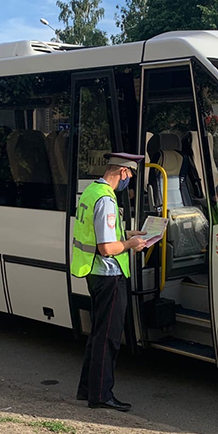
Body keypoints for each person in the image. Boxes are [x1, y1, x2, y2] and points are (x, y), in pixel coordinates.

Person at [70, 152, 147, 411]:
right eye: (131, 175)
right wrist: (130, 244)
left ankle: (87, 389)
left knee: (97, 334)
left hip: (94, 273)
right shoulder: (106, 200)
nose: (130, 180)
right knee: (108, 338)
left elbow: (99, 233)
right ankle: (101, 395)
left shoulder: (92, 191)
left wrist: (128, 234)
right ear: (123, 172)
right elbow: (105, 247)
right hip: (108, 275)